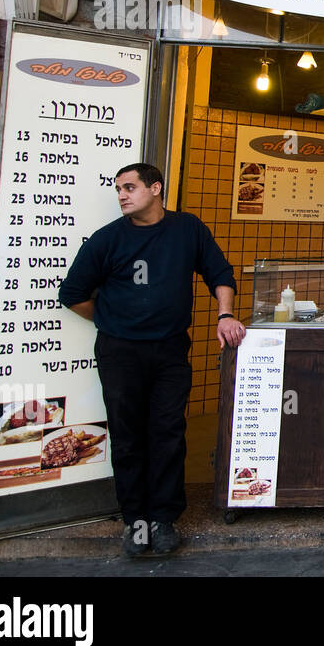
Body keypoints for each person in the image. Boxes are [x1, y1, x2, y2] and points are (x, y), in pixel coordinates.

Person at [59, 163, 245, 557]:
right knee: (127, 436)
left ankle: (164, 519)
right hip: (119, 352)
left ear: (156, 188)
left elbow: (220, 272)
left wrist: (225, 314)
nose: (122, 195)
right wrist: (113, 322)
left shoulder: (186, 229)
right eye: (118, 190)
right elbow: (72, 293)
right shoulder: (107, 240)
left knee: (167, 432)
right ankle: (136, 522)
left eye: (130, 187)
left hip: (170, 350)